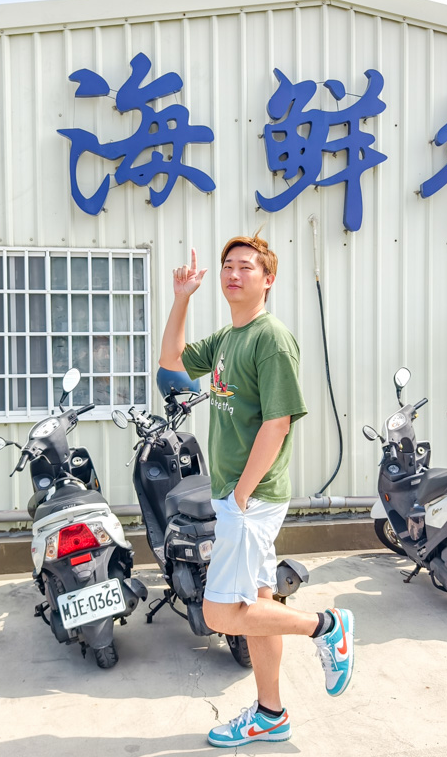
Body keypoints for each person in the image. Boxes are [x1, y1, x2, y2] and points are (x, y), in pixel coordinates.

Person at [159, 235, 355, 748]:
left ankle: (327, 626)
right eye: (227, 266)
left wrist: (241, 496)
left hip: (251, 496)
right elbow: (173, 359)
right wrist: (182, 296)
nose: (233, 273)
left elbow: (278, 423)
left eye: (246, 267)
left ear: (268, 280)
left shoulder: (271, 338)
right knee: (257, 607)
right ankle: (271, 714)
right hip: (238, 496)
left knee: (219, 612)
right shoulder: (228, 338)